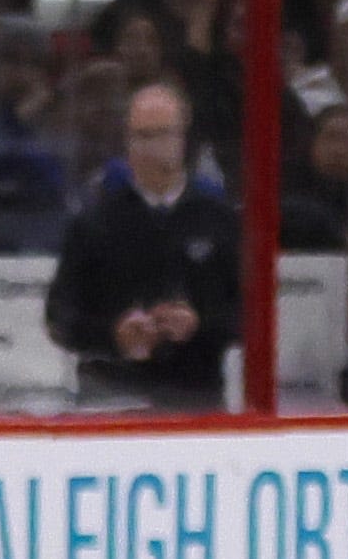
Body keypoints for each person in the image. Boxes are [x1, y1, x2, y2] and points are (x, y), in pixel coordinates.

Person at [45, 81, 240, 409]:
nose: (152, 147)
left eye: (163, 134)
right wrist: (114, 334)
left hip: (195, 397)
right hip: (111, 394)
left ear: (183, 137)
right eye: (141, 136)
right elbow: (60, 318)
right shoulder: (94, 220)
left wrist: (199, 325)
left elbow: (248, 314)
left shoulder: (218, 218)